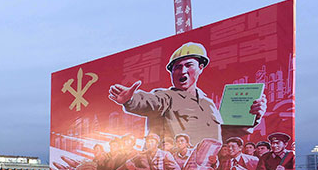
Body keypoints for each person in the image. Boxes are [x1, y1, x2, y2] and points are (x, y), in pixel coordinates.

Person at [108, 42, 266, 146]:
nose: (182, 71)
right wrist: (131, 99)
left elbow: (223, 136)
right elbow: (150, 101)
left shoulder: (208, 104)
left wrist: (252, 116)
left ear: (200, 68)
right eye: (177, 67)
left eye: (188, 65)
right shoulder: (166, 97)